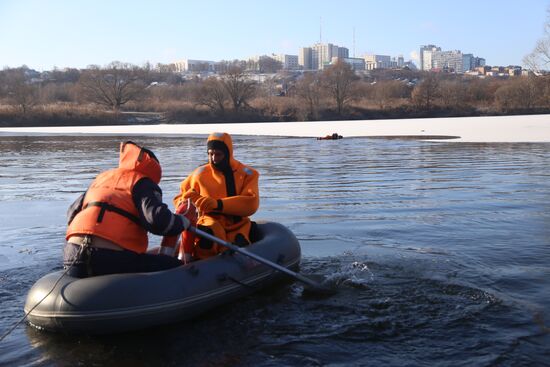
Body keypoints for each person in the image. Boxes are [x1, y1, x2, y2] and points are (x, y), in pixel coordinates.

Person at [63, 141, 189, 277]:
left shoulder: (102, 179)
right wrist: (182, 222)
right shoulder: (142, 182)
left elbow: (71, 213)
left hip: (72, 256)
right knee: (173, 266)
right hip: (108, 259)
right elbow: (158, 221)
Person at [173, 132, 260, 260]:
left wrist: (218, 204)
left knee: (238, 243)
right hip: (209, 223)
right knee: (208, 233)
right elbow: (179, 198)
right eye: (210, 154)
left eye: (218, 154)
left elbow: (251, 203)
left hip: (237, 226)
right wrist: (188, 203)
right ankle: (200, 266)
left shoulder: (248, 174)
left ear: (228, 153)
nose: (214, 158)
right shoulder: (199, 174)